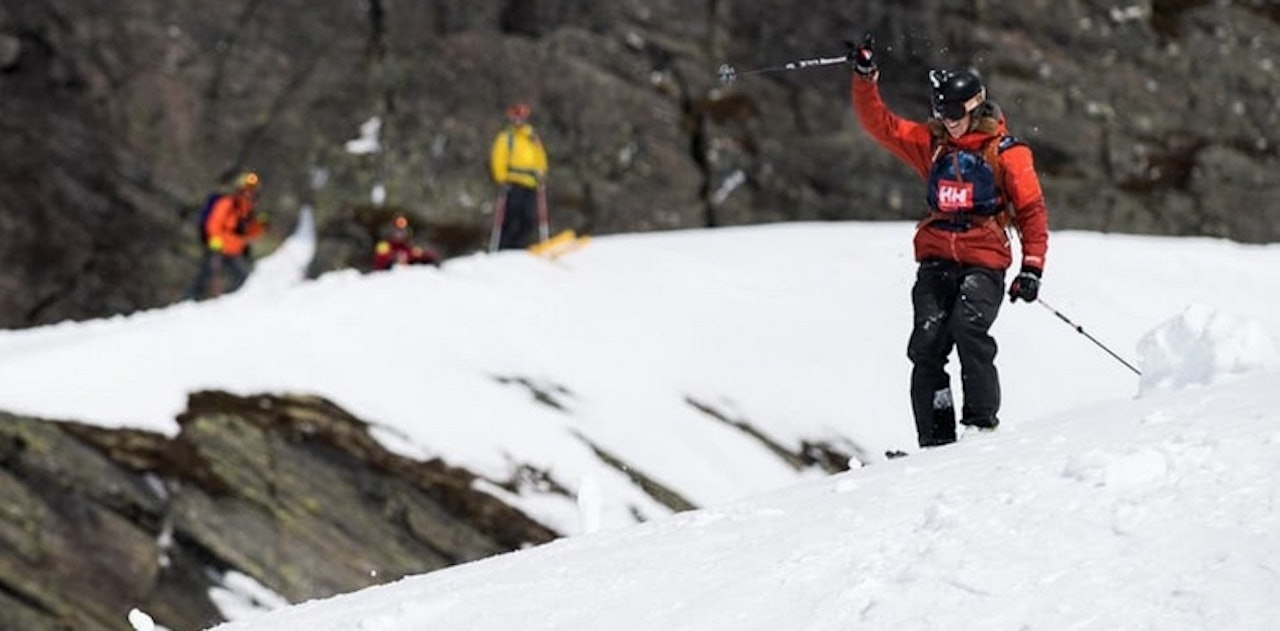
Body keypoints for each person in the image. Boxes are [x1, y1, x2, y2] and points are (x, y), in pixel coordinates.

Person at [848, 37, 1049, 449]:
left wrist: (1031, 267)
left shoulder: (1007, 153)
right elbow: (881, 125)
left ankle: (980, 424)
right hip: (937, 260)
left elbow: (1031, 211)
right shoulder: (935, 145)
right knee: (926, 345)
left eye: (955, 113)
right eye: (941, 112)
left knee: (968, 328)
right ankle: (935, 441)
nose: (948, 121)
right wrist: (865, 80)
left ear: (975, 107)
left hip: (985, 261)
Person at [187, 171, 268, 300]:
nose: (250, 194)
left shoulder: (248, 211)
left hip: (234, 251)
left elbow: (249, 233)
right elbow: (213, 224)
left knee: (242, 278)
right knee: (207, 276)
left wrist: (260, 225)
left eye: (252, 191)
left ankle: (228, 301)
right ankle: (190, 300)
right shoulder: (227, 203)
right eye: (247, 190)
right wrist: (215, 242)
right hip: (218, 248)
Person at [488, 102, 548, 250]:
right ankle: (504, 248)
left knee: (528, 218)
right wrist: (501, 178)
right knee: (510, 217)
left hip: (530, 183)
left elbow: (540, 157)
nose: (518, 121)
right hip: (513, 182)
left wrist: (541, 172)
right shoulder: (506, 138)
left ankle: (520, 247)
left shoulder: (532, 138)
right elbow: (498, 158)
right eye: (515, 117)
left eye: (521, 117)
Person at [373, 214, 440, 270]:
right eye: (397, 231)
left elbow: (424, 257)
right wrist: (393, 258)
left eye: (402, 231)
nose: (399, 235)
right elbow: (379, 263)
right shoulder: (384, 246)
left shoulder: (410, 247)